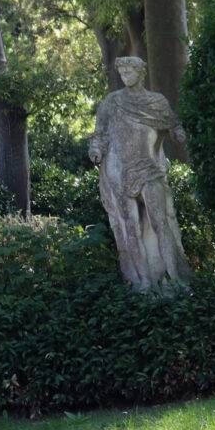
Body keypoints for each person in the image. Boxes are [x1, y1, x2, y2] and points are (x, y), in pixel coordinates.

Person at [88, 56, 191, 291]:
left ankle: (174, 277)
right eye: (122, 73)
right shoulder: (111, 103)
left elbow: (173, 125)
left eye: (129, 72)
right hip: (120, 173)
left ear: (140, 73)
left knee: (160, 223)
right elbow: (99, 134)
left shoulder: (156, 102)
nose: (125, 77)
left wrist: (179, 134)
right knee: (130, 227)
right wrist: (95, 149)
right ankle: (143, 280)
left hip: (148, 169)